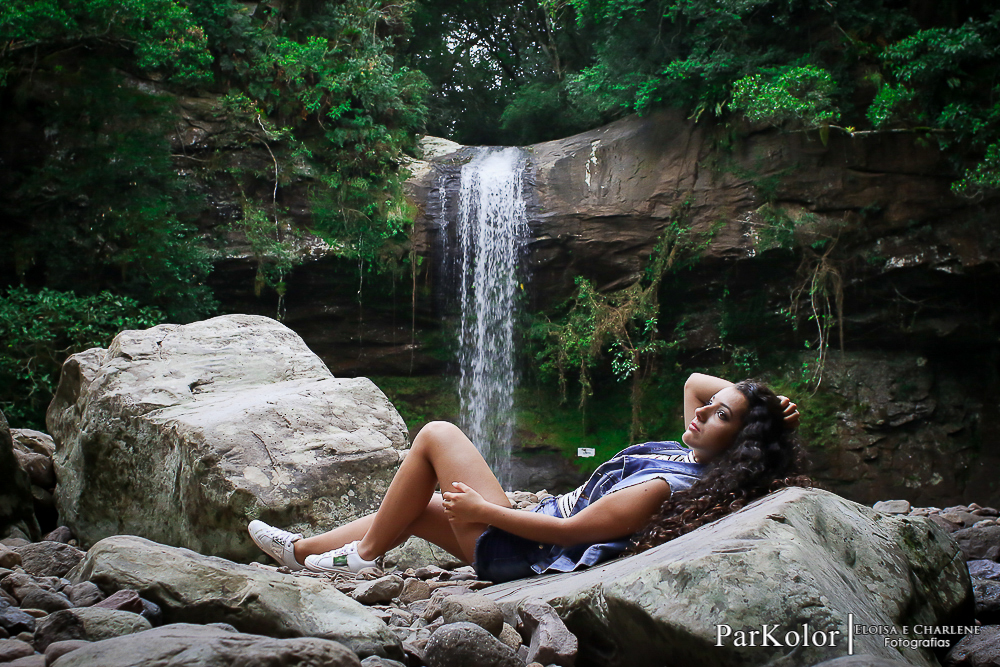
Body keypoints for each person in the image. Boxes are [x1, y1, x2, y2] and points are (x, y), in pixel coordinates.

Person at [248, 372, 806, 583]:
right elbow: (693, 382)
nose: (702, 411)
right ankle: (302, 552)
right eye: (711, 407)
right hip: (526, 531)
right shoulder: (692, 456)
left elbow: (573, 533)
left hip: (523, 549)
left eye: (720, 415)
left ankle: (364, 557)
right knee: (412, 509)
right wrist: (763, 405)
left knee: (437, 434)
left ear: (741, 444)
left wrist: (486, 512)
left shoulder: (667, 486)